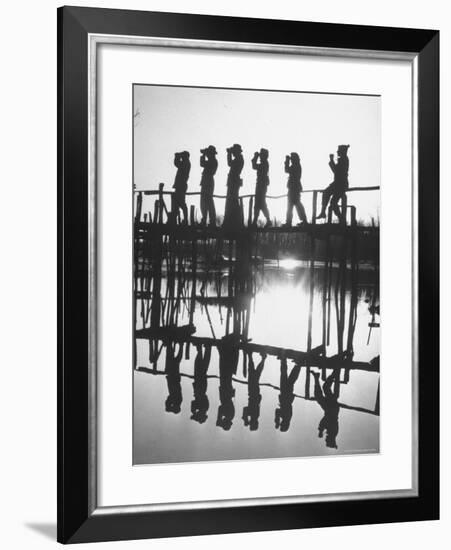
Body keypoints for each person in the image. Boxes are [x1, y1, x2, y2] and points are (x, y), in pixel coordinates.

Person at [316, 144, 350, 222]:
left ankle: (341, 219)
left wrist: (331, 160)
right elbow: (336, 171)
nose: (337, 152)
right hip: (338, 184)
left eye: (338, 151)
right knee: (327, 195)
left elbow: (336, 171)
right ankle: (324, 213)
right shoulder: (343, 159)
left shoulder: (343, 160)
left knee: (332, 202)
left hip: (340, 184)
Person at [312, 370, 340, 449]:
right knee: (324, 389)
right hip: (331, 408)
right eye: (327, 441)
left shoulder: (332, 433)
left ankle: (317, 377)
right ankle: (335, 373)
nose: (326, 439)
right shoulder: (333, 432)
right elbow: (326, 420)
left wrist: (321, 430)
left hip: (329, 409)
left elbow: (325, 421)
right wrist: (320, 430)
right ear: (331, 440)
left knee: (322, 392)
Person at [274, 352, 301, 432]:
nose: (281, 424)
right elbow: (278, 411)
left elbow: (278, 411)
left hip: (286, 396)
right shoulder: (287, 417)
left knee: (288, 377)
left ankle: (288, 361)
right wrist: (277, 420)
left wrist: (277, 420)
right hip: (286, 396)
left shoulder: (287, 417)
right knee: (288, 378)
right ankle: (296, 364)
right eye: (282, 425)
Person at [242, 352, 266, 431]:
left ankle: (259, 358)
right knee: (254, 373)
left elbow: (246, 409)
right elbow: (245, 409)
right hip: (253, 393)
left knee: (256, 373)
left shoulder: (255, 416)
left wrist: (246, 419)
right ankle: (254, 356)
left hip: (254, 393)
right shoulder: (254, 415)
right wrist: (245, 419)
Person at [283, 152, 308, 227]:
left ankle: (289, 222)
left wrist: (287, 162)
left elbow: (286, 170)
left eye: (292, 158)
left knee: (292, 206)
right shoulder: (297, 165)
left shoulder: (295, 166)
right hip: (295, 188)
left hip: (294, 188)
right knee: (296, 205)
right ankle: (303, 221)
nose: (291, 160)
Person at [223, 143, 244, 229]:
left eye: (234, 151)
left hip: (234, 182)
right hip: (234, 182)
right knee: (232, 202)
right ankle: (232, 221)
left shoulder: (239, 159)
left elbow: (229, 163)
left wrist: (228, 154)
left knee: (232, 202)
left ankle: (232, 221)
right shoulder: (239, 159)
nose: (233, 153)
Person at [190, 343, 211, 424]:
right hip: (201, 388)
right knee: (202, 366)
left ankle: (203, 349)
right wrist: (194, 413)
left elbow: (193, 403)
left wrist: (194, 413)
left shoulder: (205, 408)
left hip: (199, 387)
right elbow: (194, 402)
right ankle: (205, 348)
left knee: (200, 365)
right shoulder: (205, 407)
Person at [251, 148, 272, 227]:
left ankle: (265, 220)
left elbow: (254, 166)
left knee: (260, 204)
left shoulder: (264, 164)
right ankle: (256, 221)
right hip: (261, 185)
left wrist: (255, 157)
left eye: (261, 155)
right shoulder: (265, 163)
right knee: (259, 204)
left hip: (261, 186)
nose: (260, 157)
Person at [200, 145, 218, 226]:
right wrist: (204, 155)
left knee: (208, 202)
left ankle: (210, 220)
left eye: (208, 153)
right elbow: (203, 163)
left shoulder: (213, 161)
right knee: (205, 202)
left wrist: (203, 155)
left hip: (208, 182)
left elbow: (202, 163)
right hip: (207, 181)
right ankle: (208, 220)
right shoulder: (212, 160)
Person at [164, 341, 184, 414]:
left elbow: (168, 399)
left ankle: (175, 345)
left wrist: (169, 408)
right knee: (175, 360)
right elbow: (169, 399)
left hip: (173, 378)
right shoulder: (178, 400)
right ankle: (177, 345)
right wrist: (169, 408)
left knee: (175, 359)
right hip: (174, 379)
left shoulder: (177, 401)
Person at [172, 151, 190, 224]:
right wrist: (178, 157)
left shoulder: (185, 163)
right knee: (178, 203)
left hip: (181, 186)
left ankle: (184, 219)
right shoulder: (186, 163)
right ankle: (177, 219)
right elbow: (177, 164)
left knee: (181, 203)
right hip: (181, 185)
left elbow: (177, 163)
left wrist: (177, 157)